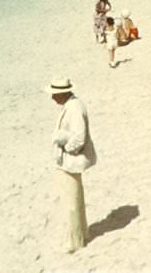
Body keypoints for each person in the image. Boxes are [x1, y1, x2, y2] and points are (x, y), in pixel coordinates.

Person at [48, 77, 97, 253]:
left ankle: (75, 241)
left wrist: (66, 148)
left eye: (54, 94)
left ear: (63, 93)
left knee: (71, 203)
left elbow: (78, 137)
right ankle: (82, 234)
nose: (52, 98)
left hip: (71, 160)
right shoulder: (72, 104)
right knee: (75, 199)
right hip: (70, 160)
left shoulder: (74, 109)